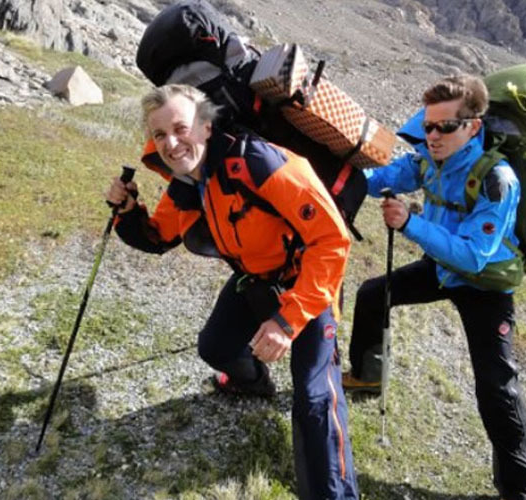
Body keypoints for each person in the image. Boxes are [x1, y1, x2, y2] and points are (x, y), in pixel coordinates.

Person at [107, 83, 358, 499]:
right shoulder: (189, 184)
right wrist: (129, 212)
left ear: (206, 127)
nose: (171, 143)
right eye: (159, 135)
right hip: (255, 279)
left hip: (307, 282)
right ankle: (254, 382)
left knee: (315, 400)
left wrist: (287, 320)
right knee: (216, 347)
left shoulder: (259, 162)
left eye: (180, 128)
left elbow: (331, 241)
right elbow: (157, 237)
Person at [342, 75, 526, 500]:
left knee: (496, 385)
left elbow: (473, 256)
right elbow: (386, 175)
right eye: (428, 126)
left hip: (485, 284)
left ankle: (519, 491)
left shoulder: (497, 180)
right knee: (374, 295)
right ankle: (367, 377)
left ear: (473, 125)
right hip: (442, 268)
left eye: (444, 127)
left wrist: (411, 223)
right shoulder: (428, 160)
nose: (432, 135)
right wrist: (341, 178)